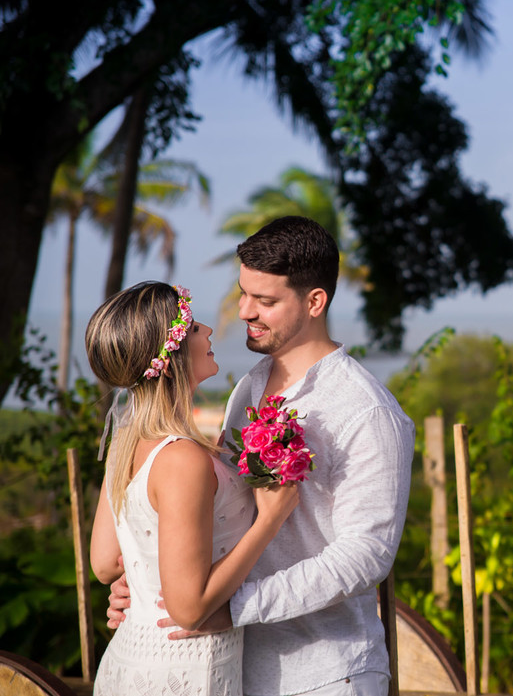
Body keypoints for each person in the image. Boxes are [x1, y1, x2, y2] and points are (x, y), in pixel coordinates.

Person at [108, 216, 416, 696]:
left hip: (324, 673)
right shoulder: (249, 387)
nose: (246, 311)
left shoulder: (367, 410)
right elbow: (212, 513)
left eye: (266, 301)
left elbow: (367, 554)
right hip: (227, 666)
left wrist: (232, 608)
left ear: (315, 302)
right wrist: (149, 585)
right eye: (243, 294)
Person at [88, 281, 300, 696]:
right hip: (184, 671)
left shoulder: (127, 441)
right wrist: (269, 522)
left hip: (130, 658)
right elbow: (188, 609)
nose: (206, 329)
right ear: (169, 360)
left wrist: (142, 579)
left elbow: (104, 564)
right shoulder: (182, 459)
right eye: (190, 326)